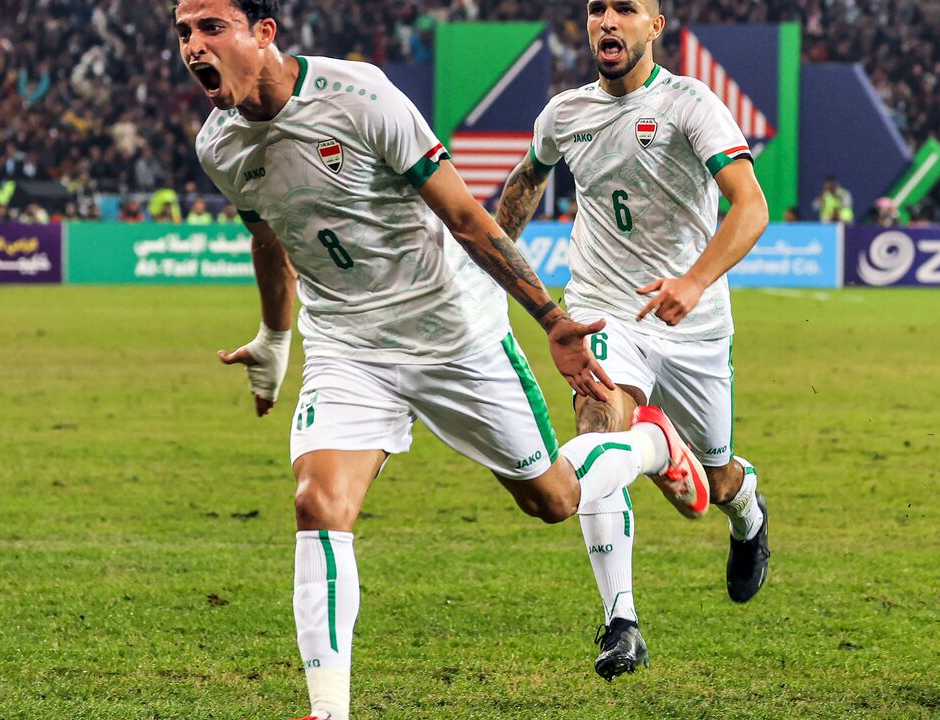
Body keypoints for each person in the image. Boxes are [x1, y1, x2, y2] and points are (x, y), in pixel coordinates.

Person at [174, 2, 710, 718]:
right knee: (318, 503)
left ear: (263, 32)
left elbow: (465, 216)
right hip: (347, 345)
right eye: (183, 31)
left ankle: (649, 442)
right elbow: (270, 238)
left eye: (211, 27)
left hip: (452, 331)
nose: (192, 46)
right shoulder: (219, 145)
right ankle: (326, 708)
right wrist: (275, 339)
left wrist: (550, 319)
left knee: (551, 499)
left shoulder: (361, 98)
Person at [494, 0, 771, 681]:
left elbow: (751, 205)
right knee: (594, 428)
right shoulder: (565, 114)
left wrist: (696, 280)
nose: (607, 22)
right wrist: (486, 266)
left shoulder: (691, 103)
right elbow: (525, 182)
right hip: (603, 311)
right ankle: (623, 620)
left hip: (691, 325)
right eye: (596, 10)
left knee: (715, 477)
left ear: (655, 27)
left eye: (626, 9)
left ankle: (747, 513)